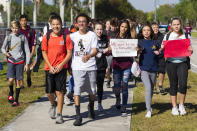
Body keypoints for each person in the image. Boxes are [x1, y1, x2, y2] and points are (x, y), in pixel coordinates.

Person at [42, 14, 73, 124]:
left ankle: (59, 114)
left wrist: (61, 65)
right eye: (54, 24)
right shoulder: (47, 37)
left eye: (58, 24)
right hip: (49, 68)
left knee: (60, 92)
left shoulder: (66, 37)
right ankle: (52, 104)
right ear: (50, 25)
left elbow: (69, 53)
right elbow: (44, 52)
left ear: (61, 24)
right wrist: (50, 66)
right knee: (49, 92)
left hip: (62, 68)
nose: (56, 26)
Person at [160, 18, 193, 116]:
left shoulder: (186, 35)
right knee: (173, 85)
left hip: (182, 63)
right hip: (171, 64)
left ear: (181, 25)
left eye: (178, 24)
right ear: (171, 26)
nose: (176, 26)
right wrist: (160, 49)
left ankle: (181, 105)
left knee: (183, 84)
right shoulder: (167, 36)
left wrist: (191, 50)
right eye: (174, 24)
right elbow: (162, 47)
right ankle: (174, 107)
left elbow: (190, 50)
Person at [70, 13, 98, 126]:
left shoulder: (92, 35)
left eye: (84, 21)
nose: (81, 23)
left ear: (87, 23)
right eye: (79, 21)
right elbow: (68, 51)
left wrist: (88, 56)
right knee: (77, 90)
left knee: (92, 90)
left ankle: (91, 105)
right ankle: (78, 115)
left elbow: (95, 50)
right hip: (77, 67)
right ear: (76, 24)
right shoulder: (72, 36)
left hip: (91, 66)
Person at [1, 20, 30, 106]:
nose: (15, 30)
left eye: (16, 28)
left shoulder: (22, 37)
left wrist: (27, 63)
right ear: (11, 28)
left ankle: (16, 100)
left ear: (19, 28)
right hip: (11, 61)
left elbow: (27, 51)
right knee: (10, 80)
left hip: (20, 61)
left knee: (18, 81)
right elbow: (2, 48)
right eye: (13, 28)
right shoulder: (9, 37)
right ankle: (11, 93)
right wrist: (6, 53)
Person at [137, 23, 160, 118]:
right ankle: (148, 110)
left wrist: (158, 52)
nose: (146, 32)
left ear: (151, 32)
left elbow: (159, 52)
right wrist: (137, 51)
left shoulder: (155, 42)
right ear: (142, 32)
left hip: (154, 68)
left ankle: (149, 106)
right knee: (148, 87)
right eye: (144, 30)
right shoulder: (139, 42)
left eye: (148, 30)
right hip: (144, 69)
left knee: (150, 89)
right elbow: (135, 53)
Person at [110, 19, 132, 113]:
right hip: (116, 65)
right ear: (119, 27)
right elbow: (108, 51)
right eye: (122, 26)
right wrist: (109, 48)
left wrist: (136, 49)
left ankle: (124, 105)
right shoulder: (114, 37)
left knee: (125, 85)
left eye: (126, 27)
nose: (124, 28)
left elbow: (135, 53)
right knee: (117, 86)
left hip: (126, 65)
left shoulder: (130, 39)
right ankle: (118, 99)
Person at [94, 22, 109, 111]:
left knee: (100, 86)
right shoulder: (91, 38)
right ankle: (91, 103)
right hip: (92, 65)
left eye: (101, 29)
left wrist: (108, 49)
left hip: (102, 65)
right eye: (97, 29)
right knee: (92, 86)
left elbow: (110, 47)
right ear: (94, 30)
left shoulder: (105, 38)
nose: (99, 31)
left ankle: (99, 103)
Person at [19, 14, 36, 88]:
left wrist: (32, 52)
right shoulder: (18, 30)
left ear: (27, 21)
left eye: (25, 20)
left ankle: (28, 77)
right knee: (20, 68)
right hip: (19, 53)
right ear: (20, 22)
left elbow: (33, 43)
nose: (23, 22)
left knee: (28, 69)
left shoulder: (31, 31)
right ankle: (21, 83)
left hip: (28, 52)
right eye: (22, 20)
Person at [151, 22, 166, 95]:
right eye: (153, 27)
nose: (155, 29)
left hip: (161, 56)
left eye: (156, 27)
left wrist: (160, 50)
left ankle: (160, 86)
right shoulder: (150, 36)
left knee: (161, 71)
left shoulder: (162, 36)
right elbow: (151, 45)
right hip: (152, 56)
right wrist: (154, 50)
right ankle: (153, 87)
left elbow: (164, 45)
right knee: (153, 71)